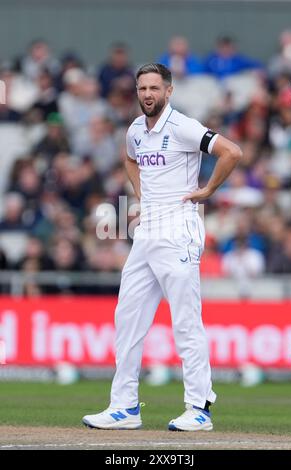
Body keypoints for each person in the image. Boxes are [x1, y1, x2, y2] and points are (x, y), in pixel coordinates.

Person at [82, 63, 242, 431]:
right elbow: (129, 157)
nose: (148, 95)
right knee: (127, 318)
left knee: (186, 321)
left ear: (168, 92)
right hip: (148, 231)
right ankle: (124, 407)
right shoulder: (136, 129)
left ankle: (199, 408)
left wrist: (208, 190)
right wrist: (143, 195)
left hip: (179, 230)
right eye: (142, 89)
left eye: (154, 88)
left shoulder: (182, 126)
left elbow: (232, 152)